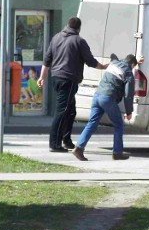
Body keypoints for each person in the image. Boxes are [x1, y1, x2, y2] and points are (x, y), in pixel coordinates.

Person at [37, 17, 106, 153]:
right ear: (79, 28)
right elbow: (90, 61)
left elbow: (47, 59)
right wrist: (104, 67)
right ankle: (54, 143)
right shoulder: (79, 41)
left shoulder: (56, 37)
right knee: (62, 111)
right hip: (68, 80)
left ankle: (66, 140)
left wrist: (41, 77)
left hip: (56, 78)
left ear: (67, 25)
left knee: (71, 111)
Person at [73, 54, 141, 161]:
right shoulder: (128, 72)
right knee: (118, 125)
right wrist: (129, 112)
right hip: (108, 98)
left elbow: (114, 57)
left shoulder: (114, 63)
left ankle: (79, 148)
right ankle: (117, 153)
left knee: (92, 122)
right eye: (133, 66)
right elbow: (128, 94)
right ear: (132, 64)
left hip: (97, 96)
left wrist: (137, 62)